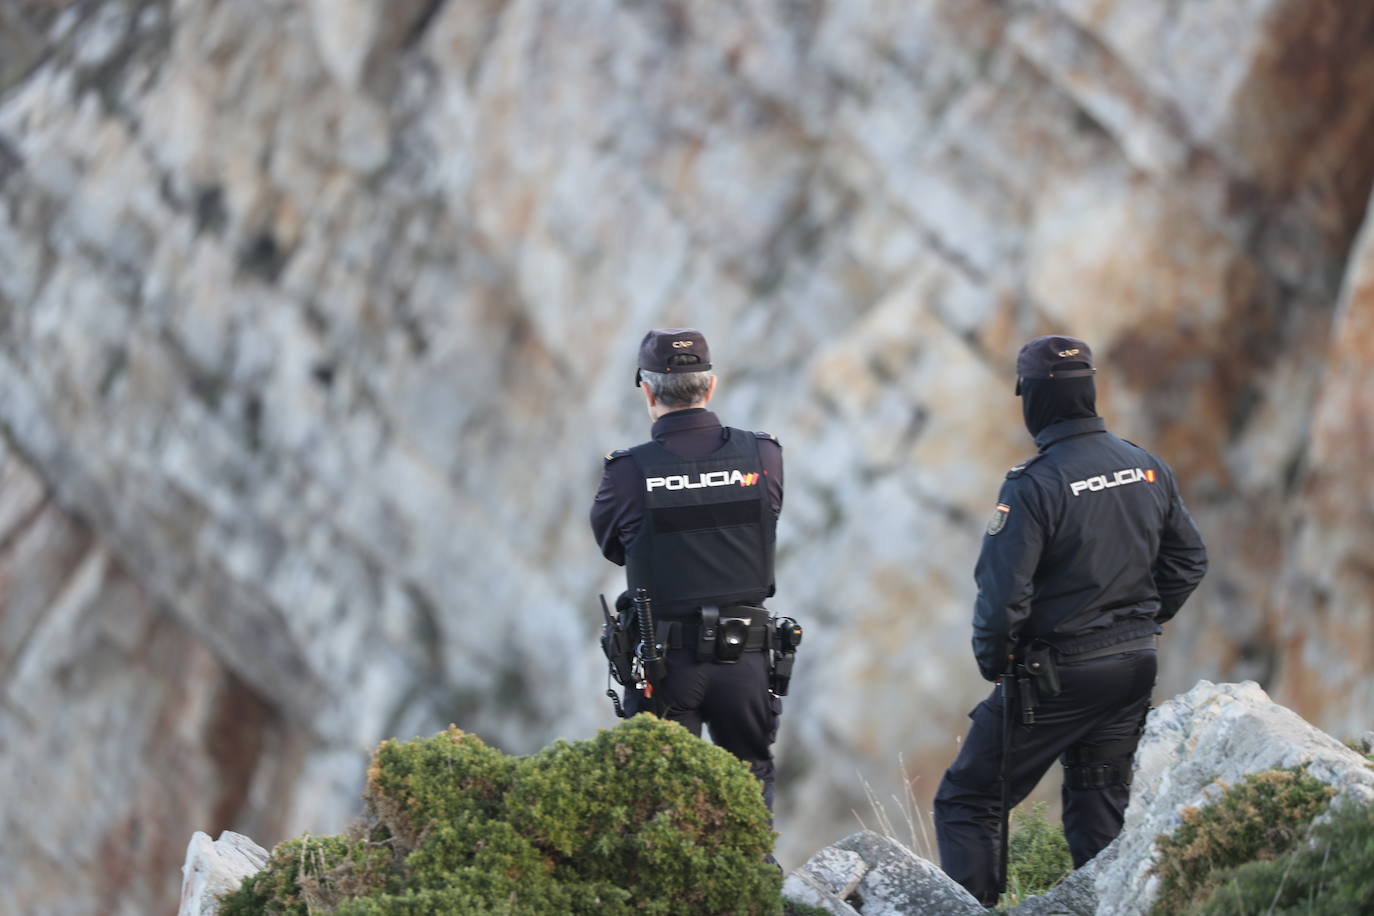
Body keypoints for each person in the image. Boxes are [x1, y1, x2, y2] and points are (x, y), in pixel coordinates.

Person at [933, 334, 1208, 906]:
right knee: (1098, 809)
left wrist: (995, 662)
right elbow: (1188, 561)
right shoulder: (1144, 466)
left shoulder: (1035, 484)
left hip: (1057, 675)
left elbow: (1003, 593)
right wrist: (1135, 623)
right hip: (1132, 668)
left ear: (1033, 398)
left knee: (969, 799)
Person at [590, 328, 785, 809]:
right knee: (749, 783)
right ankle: (755, 879)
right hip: (748, 655)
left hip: (667, 660)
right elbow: (767, 519)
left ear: (648, 390)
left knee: (661, 798)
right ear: (710, 386)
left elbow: (614, 546)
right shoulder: (763, 454)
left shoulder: (628, 472)